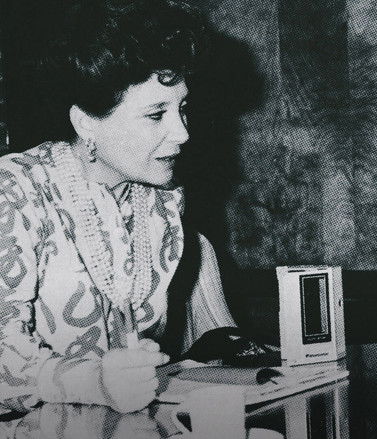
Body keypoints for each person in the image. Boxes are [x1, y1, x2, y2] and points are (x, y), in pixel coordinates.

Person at [0, 0, 235, 415]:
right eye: (156, 114)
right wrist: (91, 382)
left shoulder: (162, 202)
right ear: (86, 123)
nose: (182, 133)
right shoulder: (15, 191)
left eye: (182, 109)